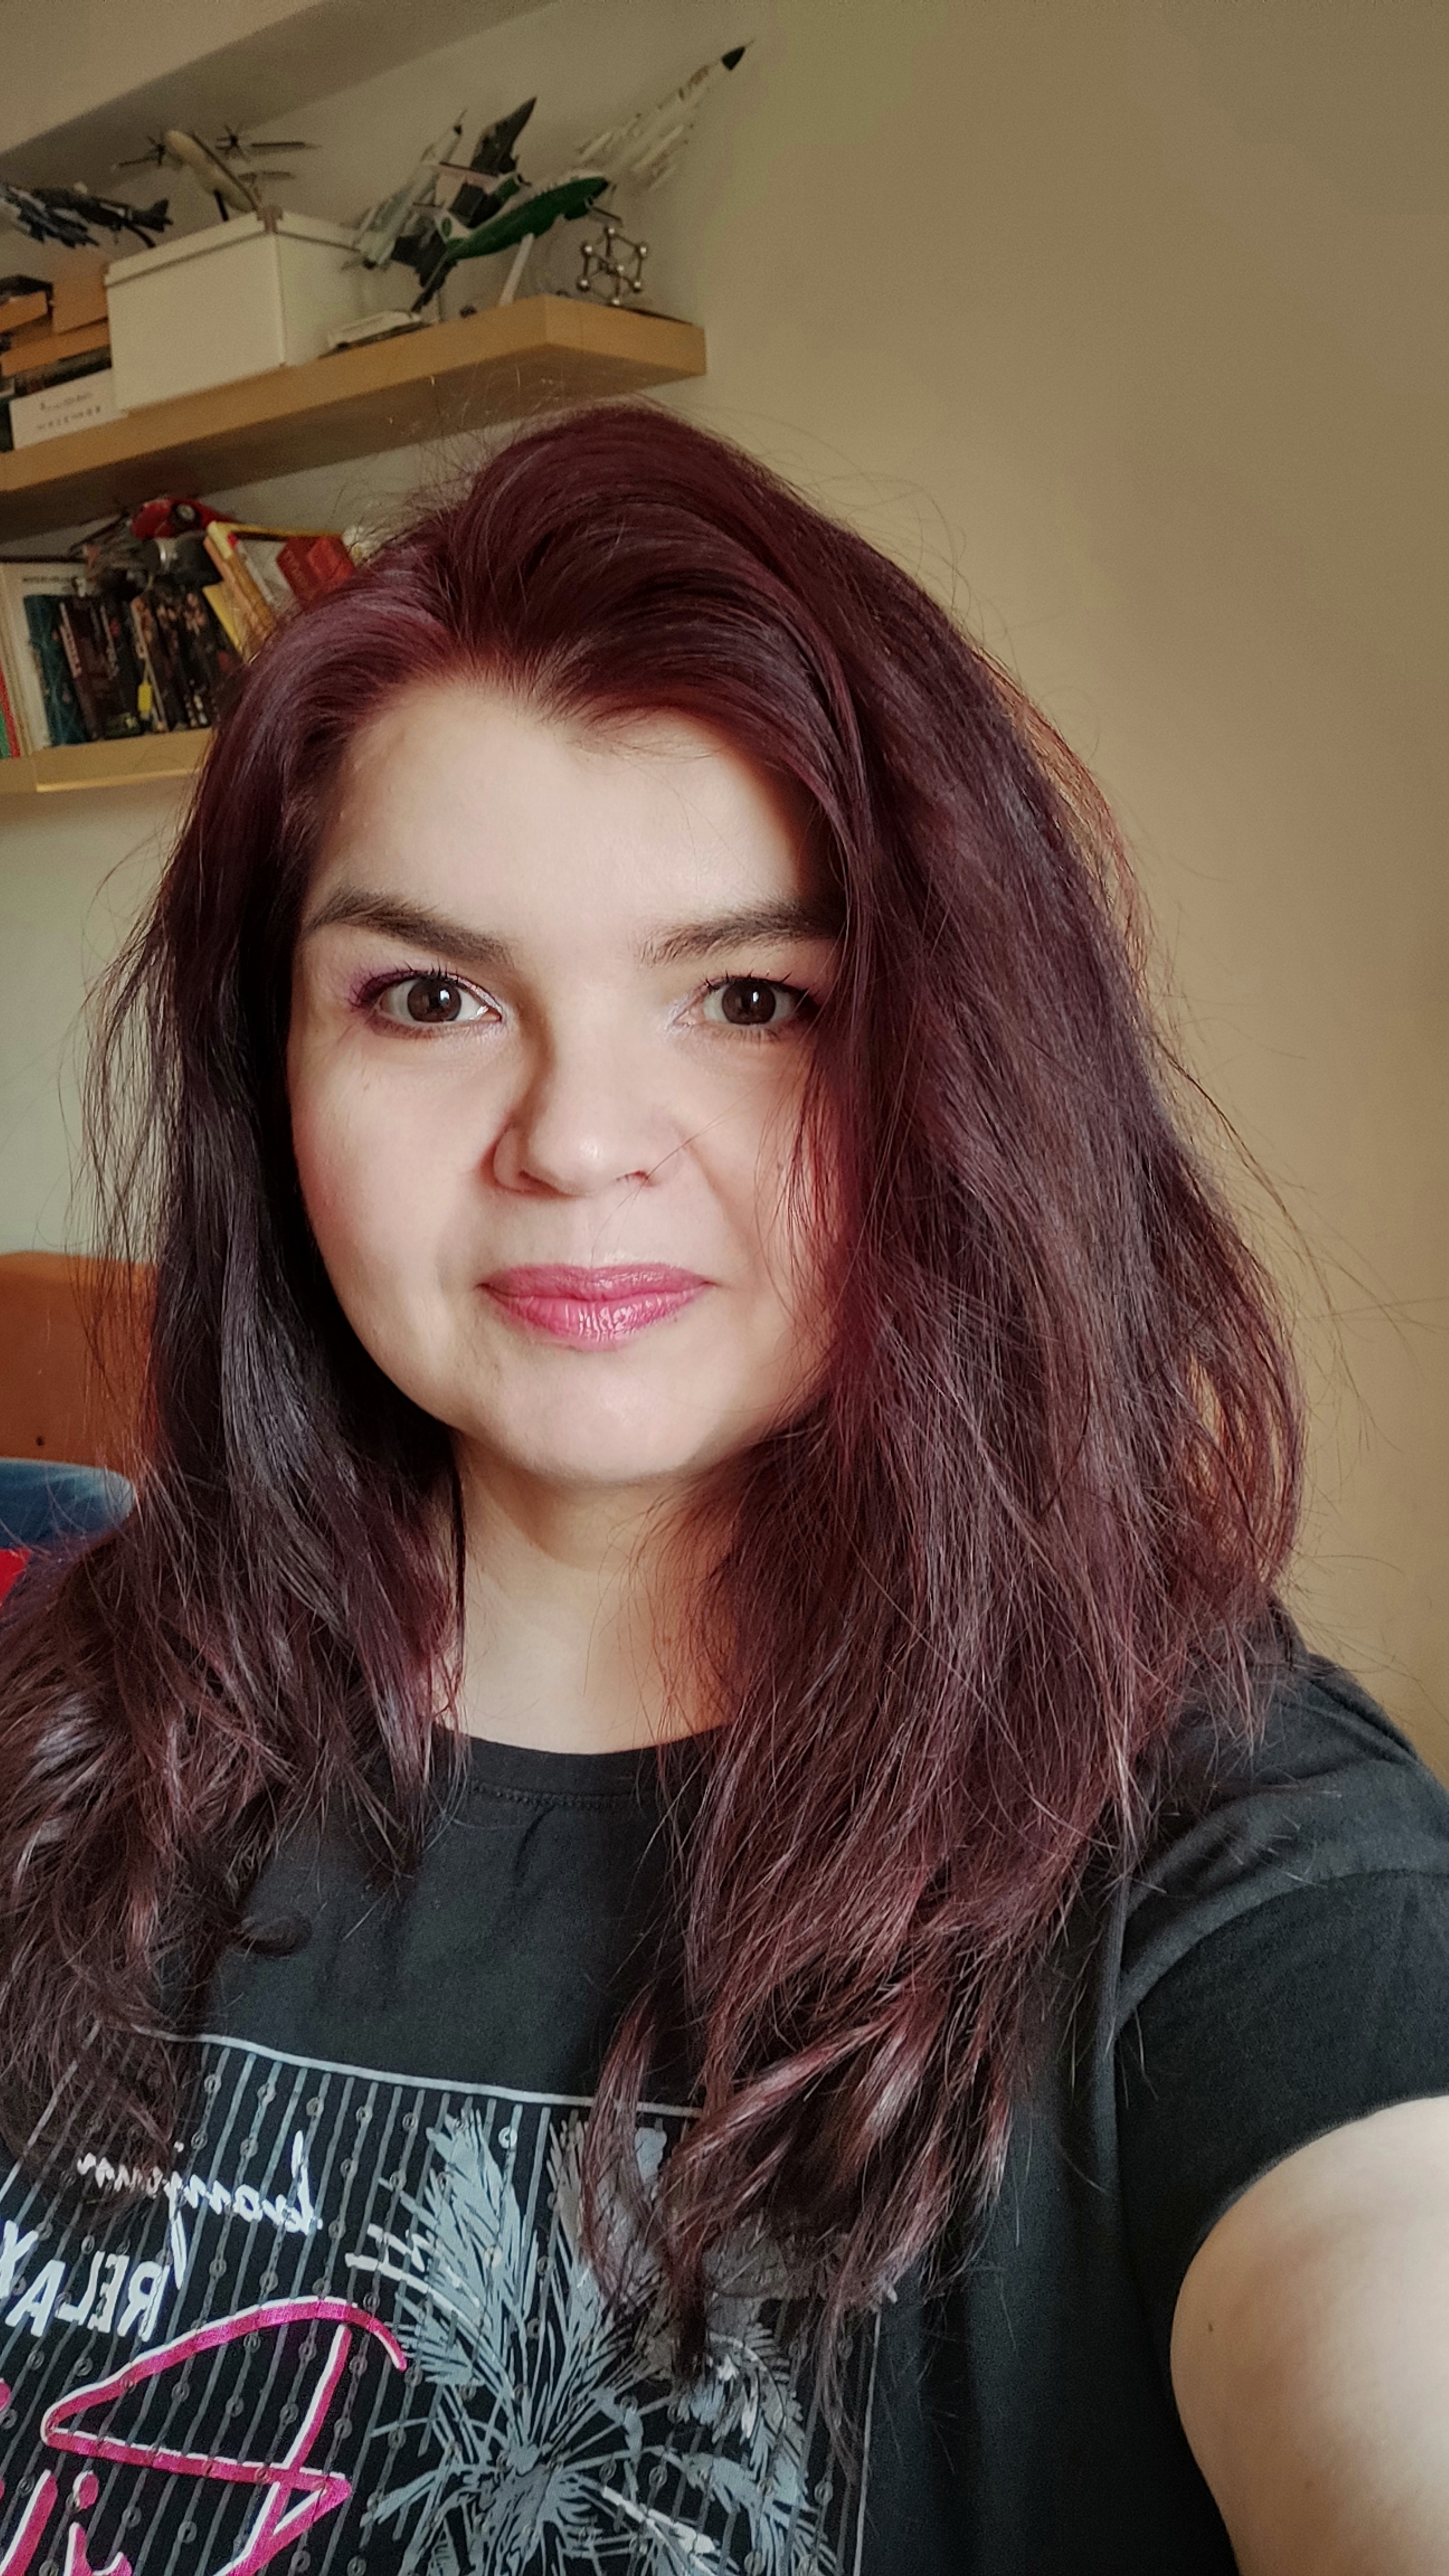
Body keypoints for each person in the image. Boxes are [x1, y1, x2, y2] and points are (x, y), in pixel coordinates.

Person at [0, 404, 1446, 2576]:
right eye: (429, 996)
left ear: (956, 1068)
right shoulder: (60, 1730)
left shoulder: (1217, 1849)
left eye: (751, 999)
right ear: (269, 1072)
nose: (579, 1140)